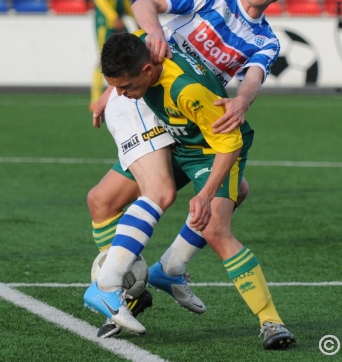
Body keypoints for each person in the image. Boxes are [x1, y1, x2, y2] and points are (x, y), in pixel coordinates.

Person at [87, 0, 304, 349]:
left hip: (189, 113)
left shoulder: (266, 40)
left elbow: (254, 75)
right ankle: (128, 286)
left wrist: (242, 99)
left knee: (227, 201)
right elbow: (144, 3)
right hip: (151, 98)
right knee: (107, 201)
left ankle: (265, 319)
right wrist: (145, 48)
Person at [84, 30, 284, 343]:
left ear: (147, 70)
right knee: (101, 199)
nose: (122, 94)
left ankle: (271, 322)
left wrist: (204, 196)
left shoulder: (186, 90)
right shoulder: (143, 49)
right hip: (176, 140)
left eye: (125, 87)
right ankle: (163, 272)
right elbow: (138, 27)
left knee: (216, 228)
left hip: (211, 151)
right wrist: (106, 94)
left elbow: (230, 144)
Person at [87, 0, 132, 110]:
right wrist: (113, 17)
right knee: (102, 60)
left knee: (128, 57)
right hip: (105, 24)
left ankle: (124, 93)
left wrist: (134, 16)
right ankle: (95, 99)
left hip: (119, 22)